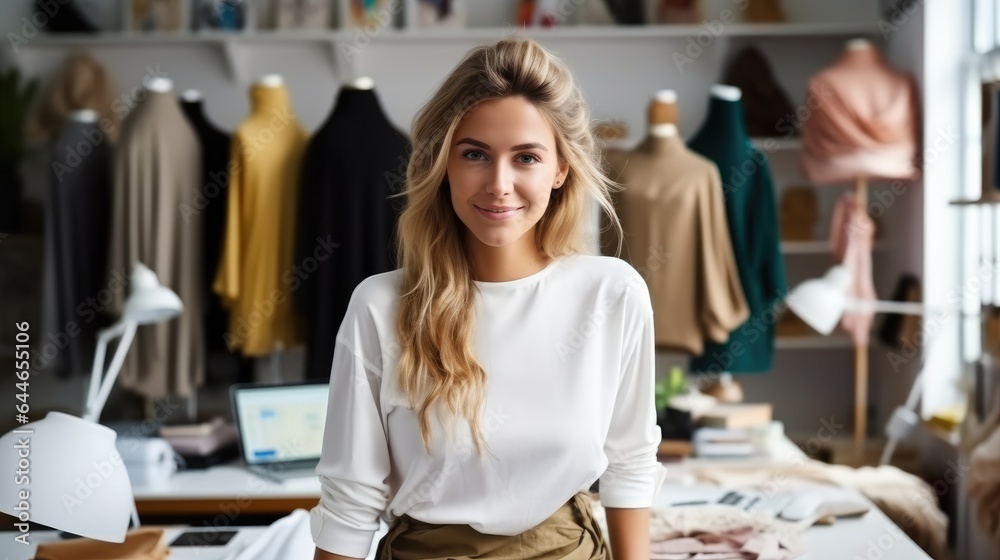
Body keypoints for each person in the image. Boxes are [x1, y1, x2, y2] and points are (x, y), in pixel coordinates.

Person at [311, 38, 665, 560]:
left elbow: (630, 465)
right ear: (443, 164)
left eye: (526, 158)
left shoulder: (612, 294)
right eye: (475, 154)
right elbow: (349, 505)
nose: (499, 185)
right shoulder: (380, 306)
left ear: (560, 170)